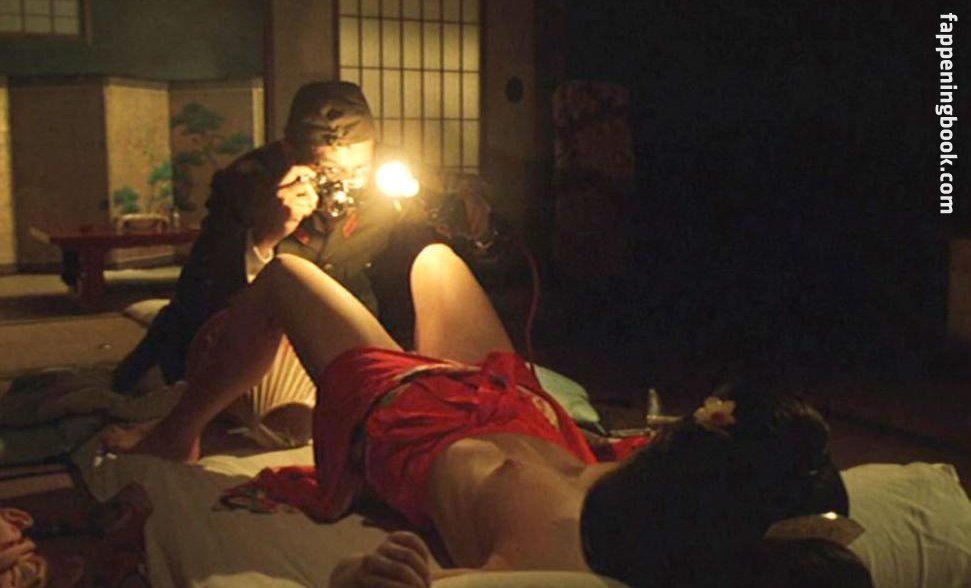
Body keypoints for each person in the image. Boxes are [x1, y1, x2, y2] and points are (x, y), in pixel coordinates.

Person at [105, 244, 859, 588]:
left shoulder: (559, 560)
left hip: (406, 414)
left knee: (284, 275)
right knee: (436, 258)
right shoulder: (651, 483)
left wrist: (367, 575)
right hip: (508, 402)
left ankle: (177, 433)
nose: (689, 425)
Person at [111, 81, 492, 447]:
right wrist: (264, 238)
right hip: (247, 334)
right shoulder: (247, 185)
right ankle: (185, 427)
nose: (349, 183)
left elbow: (456, 207)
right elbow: (200, 291)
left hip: (340, 331)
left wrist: (475, 216)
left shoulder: (390, 176)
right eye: (331, 173)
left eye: (359, 170)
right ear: (290, 151)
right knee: (277, 411)